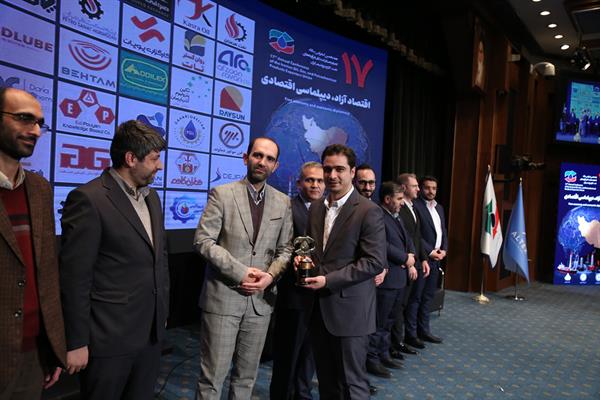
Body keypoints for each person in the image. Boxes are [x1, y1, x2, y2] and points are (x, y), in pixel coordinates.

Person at [60, 120, 169, 399]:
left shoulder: (153, 198)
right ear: (131, 159)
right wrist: (76, 342)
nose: (160, 166)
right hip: (108, 341)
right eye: (154, 159)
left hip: (150, 336)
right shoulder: (88, 199)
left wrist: (162, 316)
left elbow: (158, 261)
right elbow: (75, 278)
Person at [194, 137, 293, 399]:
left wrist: (269, 276)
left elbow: (286, 249)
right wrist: (241, 272)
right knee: (212, 379)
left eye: (269, 158)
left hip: (260, 303)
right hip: (223, 299)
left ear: (276, 165)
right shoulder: (222, 194)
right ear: (246, 158)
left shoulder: (283, 202)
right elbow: (203, 241)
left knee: (246, 379)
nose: (262, 162)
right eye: (258, 155)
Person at [300, 144, 386, 399]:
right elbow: (312, 249)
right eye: (327, 169)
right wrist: (303, 260)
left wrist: (327, 280)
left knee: (352, 385)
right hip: (318, 310)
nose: (332, 175)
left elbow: (373, 262)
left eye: (339, 169)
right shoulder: (316, 208)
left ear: (352, 172)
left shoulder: (369, 211)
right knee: (327, 383)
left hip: (351, 313)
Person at [0, 87, 66, 398]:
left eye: (40, 122)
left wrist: (53, 347)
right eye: (24, 119)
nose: (36, 131)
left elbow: (47, 273)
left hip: (32, 355)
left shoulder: (40, 189)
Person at [270, 162, 324, 400]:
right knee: (288, 354)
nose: (315, 185)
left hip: (320, 295)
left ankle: (303, 394)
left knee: (310, 353)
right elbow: (277, 246)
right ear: (300, 182)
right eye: (310, 180)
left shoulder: (328, 210)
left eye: (320, 181)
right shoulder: (288, 208)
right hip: (293, 295)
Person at [366, 182, 417, 379]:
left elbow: (408, 239)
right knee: (379, 324)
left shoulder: (396, 216)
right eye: (399, 199)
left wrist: (411, 255)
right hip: (386, 281)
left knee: (389, 322)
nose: (402, 203)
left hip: (399, 280)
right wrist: (405, 258)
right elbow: (383, 245)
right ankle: (372, 360)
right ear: (387, 199)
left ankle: (383, 354)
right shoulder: (378, 215)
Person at [395, 173, 430, 351]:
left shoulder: (413, 207)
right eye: (414, 186)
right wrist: (409, 263)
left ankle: (410, 336)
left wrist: (423, 259)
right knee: (401, 305)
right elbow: (402, 240)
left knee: (412, 300)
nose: (418, 189)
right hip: (404, 264)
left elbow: (417, 237)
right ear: (404, 188)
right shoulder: (399, 209)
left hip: (416, 262)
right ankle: (397, 342)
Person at [413, 176, 447, 344]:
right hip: (423, 259)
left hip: (436, 259)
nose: (431, 191)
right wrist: (431, 251)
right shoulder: (416, 206)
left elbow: (443, 231)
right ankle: (412, 334)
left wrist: (444, 250)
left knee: (428, 297)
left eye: (434, 188)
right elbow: (416, 234)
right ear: (421, 188)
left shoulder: (439, 207)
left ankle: (424, 330)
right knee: (416, 298)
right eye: (427, 188)